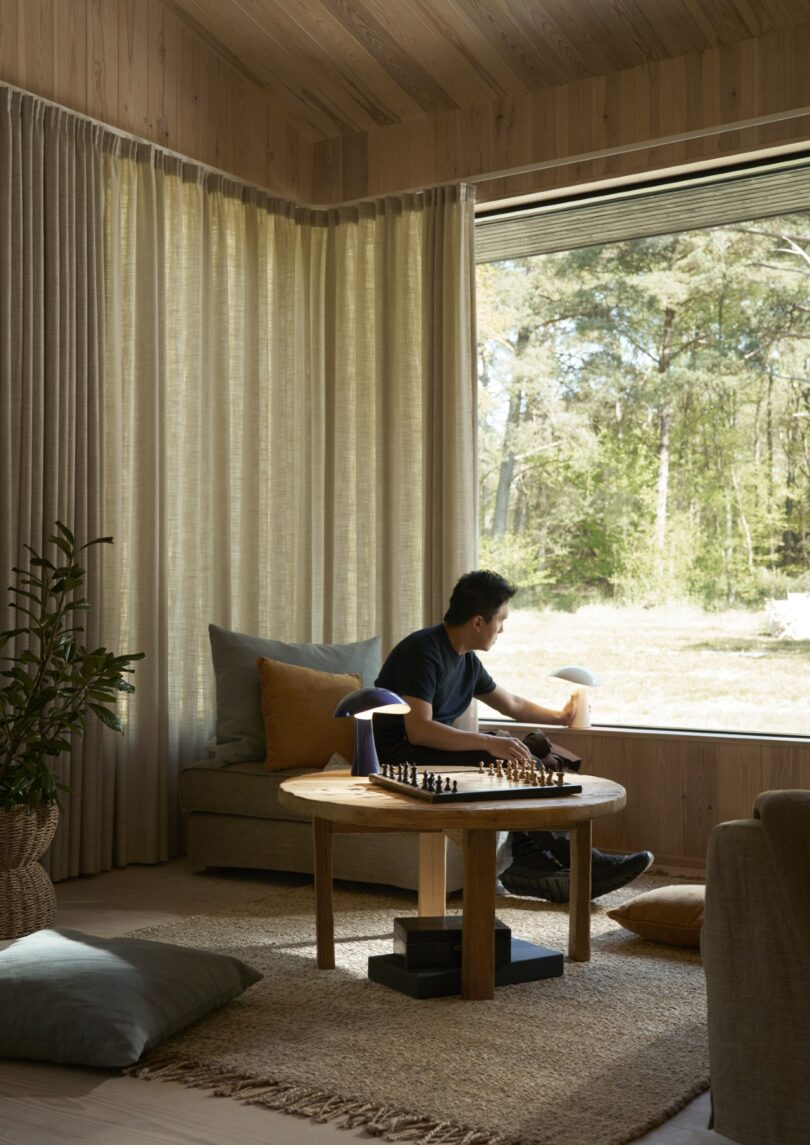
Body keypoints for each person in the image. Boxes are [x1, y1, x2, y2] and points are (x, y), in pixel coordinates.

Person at [373, 569, 653, 902]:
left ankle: (530, 860)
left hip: (428, 746)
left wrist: (561, 717)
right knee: (504, 754)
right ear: (478, 622)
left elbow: (513, 704)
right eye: (501, 620)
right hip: (399, 754)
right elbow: (418, 730)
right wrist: (490, 742)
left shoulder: (466, 661)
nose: (502, 629)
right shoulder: (424, 651)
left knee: (523, 749)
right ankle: (577, 860)